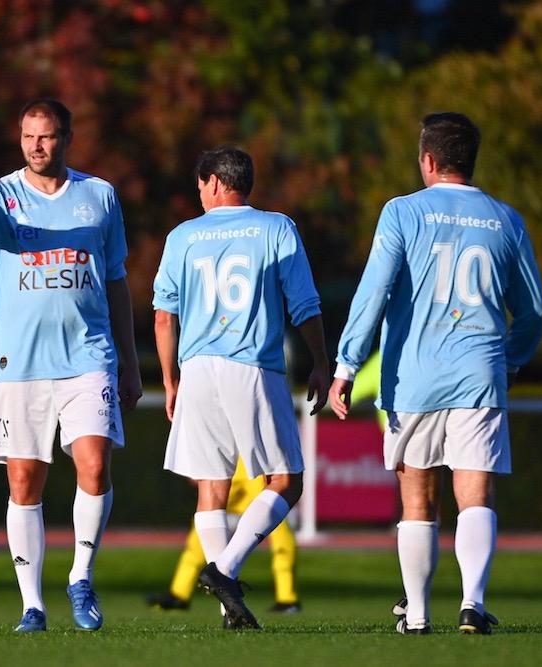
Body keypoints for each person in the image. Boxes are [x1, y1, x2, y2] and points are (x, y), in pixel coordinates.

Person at [328, 112, 542, 635]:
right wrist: (511, 359)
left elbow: (373, 293)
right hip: (479, 374)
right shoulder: (505, 219)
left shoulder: (402, 212)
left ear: (428, 160)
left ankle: (419, 616)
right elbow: (533, 312)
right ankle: (472, 603)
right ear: (470, 160)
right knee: (476, 493)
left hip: (413, 378)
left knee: (418, 499)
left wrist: (346, 365)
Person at [0, 98, 142, 632]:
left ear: (67, 137)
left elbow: (115, 280)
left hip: (89, 358)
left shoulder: (99, 196)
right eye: (27, 136)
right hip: (20, 363)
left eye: (46, 136)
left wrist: (131, 363)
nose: (35, 146)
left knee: (93, 466)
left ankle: (81, 578)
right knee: (25, 482)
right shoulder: (0, 193)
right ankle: (32, 605)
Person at [152, 146, 330, 630]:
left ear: (213, 182)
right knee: (285, 481)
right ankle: (224, 572)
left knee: (212, 487)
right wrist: (321, 360)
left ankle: (227, 607)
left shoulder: (183, 235)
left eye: (200, 187)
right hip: (250, 365)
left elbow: (164, 315)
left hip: (197, 368)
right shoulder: (276, 227)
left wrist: (170, 379)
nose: (200, 195)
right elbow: (305, 302)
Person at [146, 457, 301, 614]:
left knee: (279, 529)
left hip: (254, 466)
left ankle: (287, 597)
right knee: (204, 524)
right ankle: (180, 592)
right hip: (228, 464)